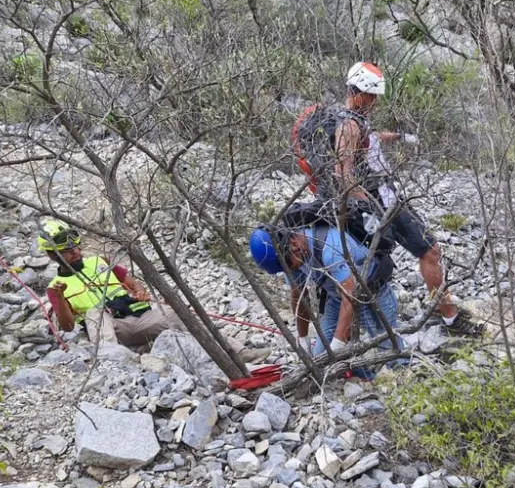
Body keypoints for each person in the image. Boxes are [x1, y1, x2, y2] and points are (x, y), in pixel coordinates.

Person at [291, 61, 483, 337]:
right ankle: (451, 319)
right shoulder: (349, 126)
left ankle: (441, 312)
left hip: (380, 198)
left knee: (423, 251)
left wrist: (399, 137)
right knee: (430, 250)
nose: (375, 102)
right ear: (363, 94)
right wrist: (370, 205)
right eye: (372, 96)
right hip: (381, 201)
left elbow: (368, 139)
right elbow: (342, 173)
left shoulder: (350, 120)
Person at [40, 219, 269, 361]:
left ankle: (237, 352)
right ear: (53, 255)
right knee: (93, 312)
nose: (77, 252)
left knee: (183, 315)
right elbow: (68, 326)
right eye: (69, 251)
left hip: (140, 317)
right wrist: (60, 299)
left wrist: (139, 291)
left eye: (76, 247)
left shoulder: (100, 262)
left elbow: (133, 283)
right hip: (113, 329)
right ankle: (113, 362)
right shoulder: (55, 288)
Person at [250, 218, 404, 380]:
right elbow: (299, 295)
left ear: (294, 243)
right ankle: (363, 378)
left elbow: (350, 296)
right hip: (337, 296)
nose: (290, 269)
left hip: (372, 291)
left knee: (390, 347)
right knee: (321, 357)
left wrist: (339, 342)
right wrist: (303, 338)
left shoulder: (329, 249)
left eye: (288, 264)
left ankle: (405, 376)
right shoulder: (290, 258)